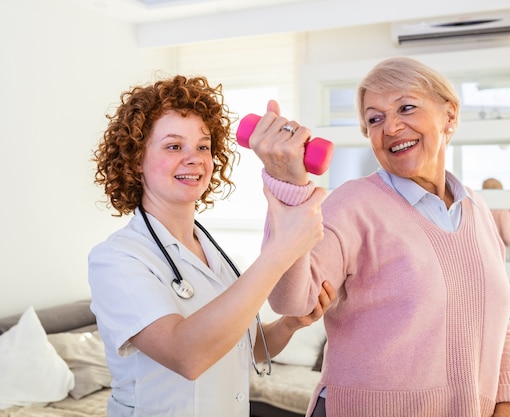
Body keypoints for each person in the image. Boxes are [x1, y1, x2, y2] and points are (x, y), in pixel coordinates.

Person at [249, 57, 510, 417]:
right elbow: (291, 300)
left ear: (450, 115)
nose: (392, 126)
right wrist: (287, 185)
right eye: (375, 119)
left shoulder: (476, 210)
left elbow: (498, 321)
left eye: (407, 107)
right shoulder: (352, 204)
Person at [87, 74, 333, 417]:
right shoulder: (117, 259)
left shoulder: (213, 252)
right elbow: (187, 355)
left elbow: (243, 347)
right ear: (135, 161)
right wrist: (280, 252)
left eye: (203, 146)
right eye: (174, 146)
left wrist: (291, 325)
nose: (194, 158)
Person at [482, 178, 510, 262]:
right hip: (501, 256)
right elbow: (508, 237)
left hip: (484, 253)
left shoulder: (481, 208)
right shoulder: (503, 211)